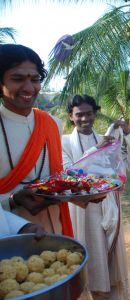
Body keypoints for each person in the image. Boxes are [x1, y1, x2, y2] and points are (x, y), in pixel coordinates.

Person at [61, 94, 130, 300]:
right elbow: (70, 173)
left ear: (95, 114)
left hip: (108, 206)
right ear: (71, 116)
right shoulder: (64, 143)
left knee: (109, 258)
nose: (85, 119)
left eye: (89, 114)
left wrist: (128, 134)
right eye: (79, 115)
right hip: (82, 209)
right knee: (90, 253)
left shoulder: (109, 141)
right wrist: (97, 149)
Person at [0, 44, 73, 236]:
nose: (29, 88)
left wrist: (84, 194)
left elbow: (57, 178)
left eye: (35, 79)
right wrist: (13, 200)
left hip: (55, 228)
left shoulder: (53, 124)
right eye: (17, 79)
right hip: (9, 235)